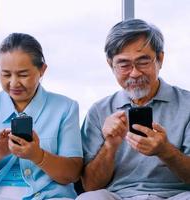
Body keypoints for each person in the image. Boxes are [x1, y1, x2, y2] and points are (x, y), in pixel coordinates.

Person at [0, 33, 83, 200]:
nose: (14, 83)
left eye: (23, 75)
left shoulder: (65, 108)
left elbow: (73, 174)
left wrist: (37, 155)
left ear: (42, 70)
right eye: (6, 74)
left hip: (50, 196)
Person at [77, 19, 190, 200]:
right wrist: (110, 145)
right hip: (119, 196)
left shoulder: (187, 104)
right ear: (110, 65)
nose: (135, 73)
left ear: (160, 59)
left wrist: (165, 151)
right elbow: (90, 185)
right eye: (124, 64)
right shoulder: (99, 111)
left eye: (143, 62)